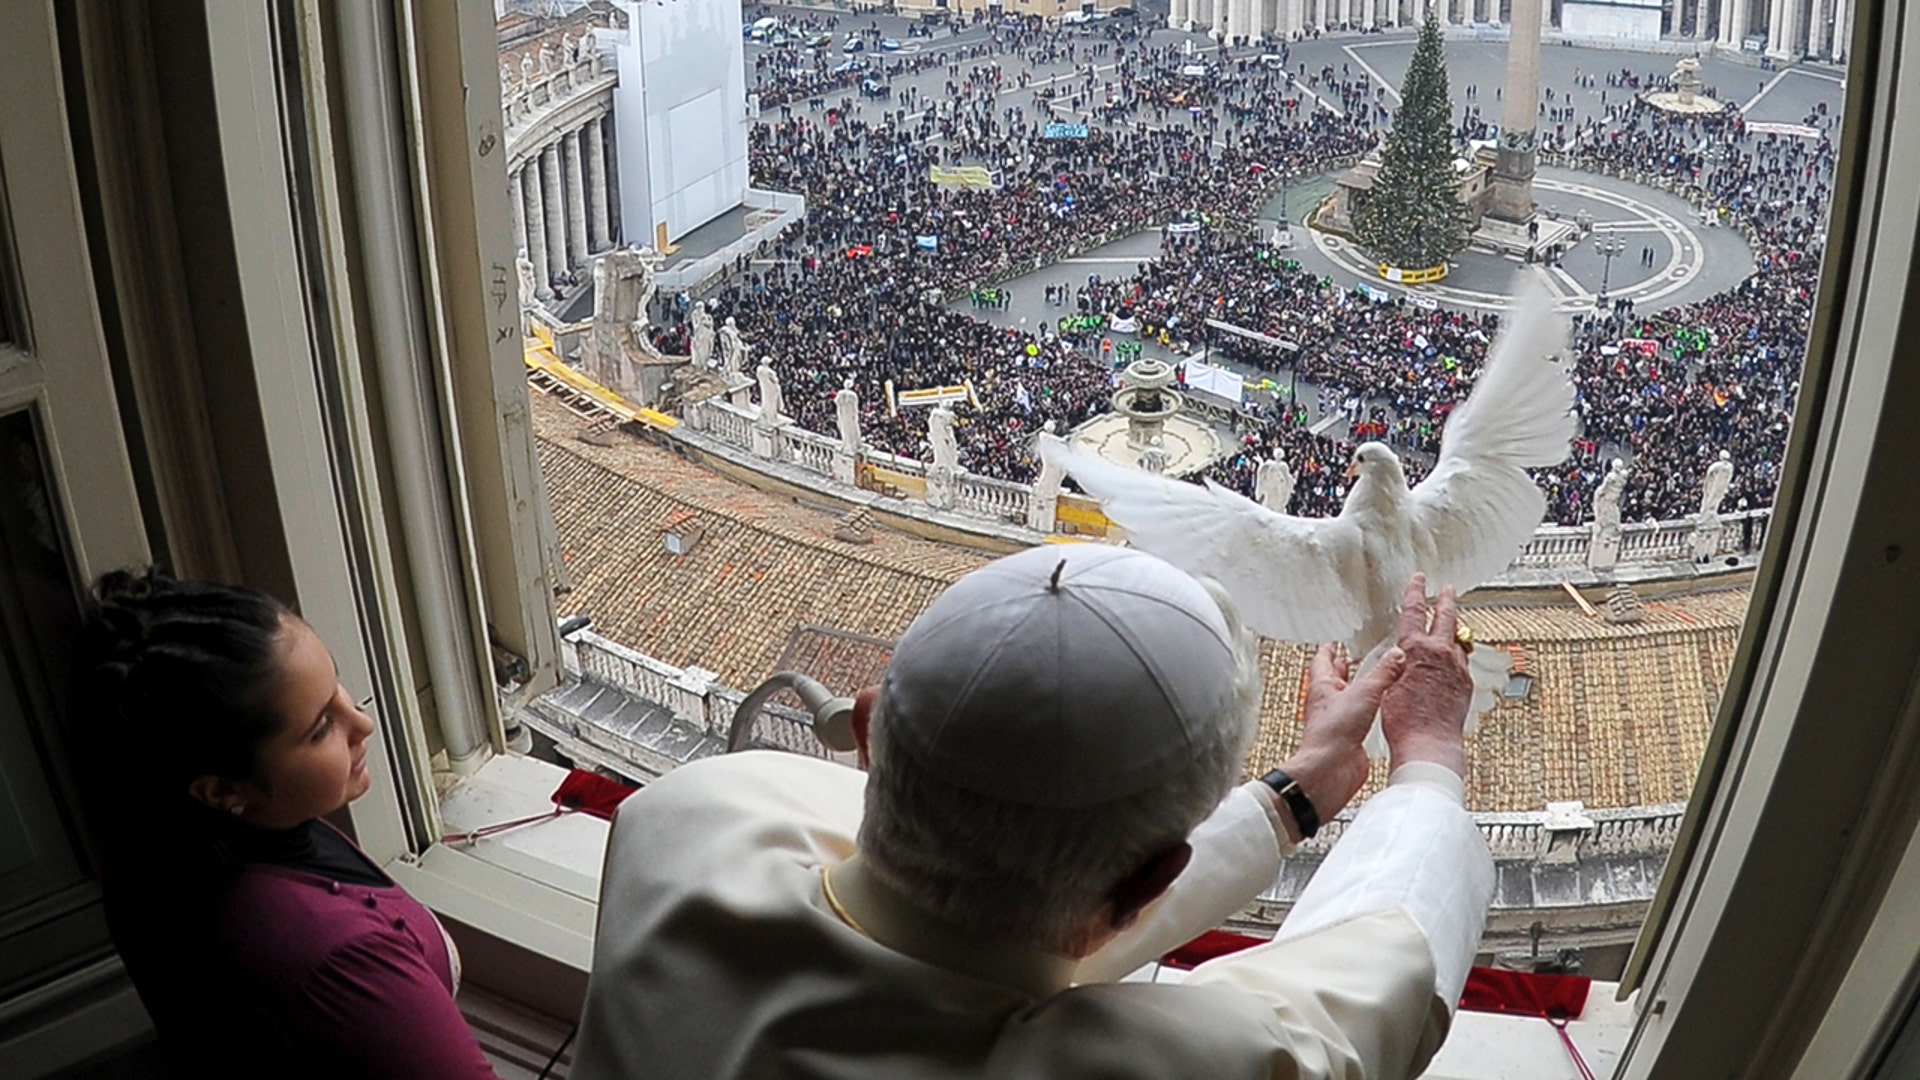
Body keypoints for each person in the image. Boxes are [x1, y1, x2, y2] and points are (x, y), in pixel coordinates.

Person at [573, 545, 1495, 1079]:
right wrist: (1427, 757)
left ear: (865, 724)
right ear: (1149, 882)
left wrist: (1291, 798)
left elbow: (977, 912)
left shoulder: (686, 820)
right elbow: (1391, 967)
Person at [76, 569, 498, 1079]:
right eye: (322, 726)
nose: (362, 722)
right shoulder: (339, 962)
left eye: (337, 686)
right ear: (222, 790)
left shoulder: (164, 845)